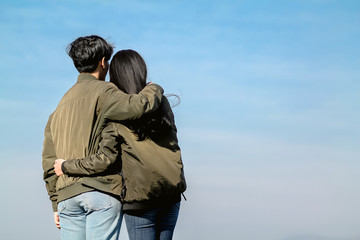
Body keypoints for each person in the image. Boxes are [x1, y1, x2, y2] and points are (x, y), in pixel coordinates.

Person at [54, 49, 187, 240]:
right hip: (171, 193)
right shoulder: (160, 102)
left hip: (140, 199)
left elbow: (105, 159)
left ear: (115, 74)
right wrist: (155, 88)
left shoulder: (116, 110)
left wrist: (66, 166)